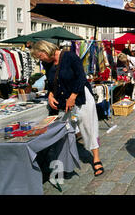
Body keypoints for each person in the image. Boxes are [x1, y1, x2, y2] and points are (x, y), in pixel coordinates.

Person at [31, 40, 104, 177]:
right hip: (63, 101)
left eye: (40, 56)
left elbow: (81, 77)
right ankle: (65, 159)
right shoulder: (47, 63)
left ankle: (96, 159)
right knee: (64, 129)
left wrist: (73, 96)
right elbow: (51, 81)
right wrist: (50, 94)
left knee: (89, 127)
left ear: (46, 50)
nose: (40, 60)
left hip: (81, 97)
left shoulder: (70, 56)